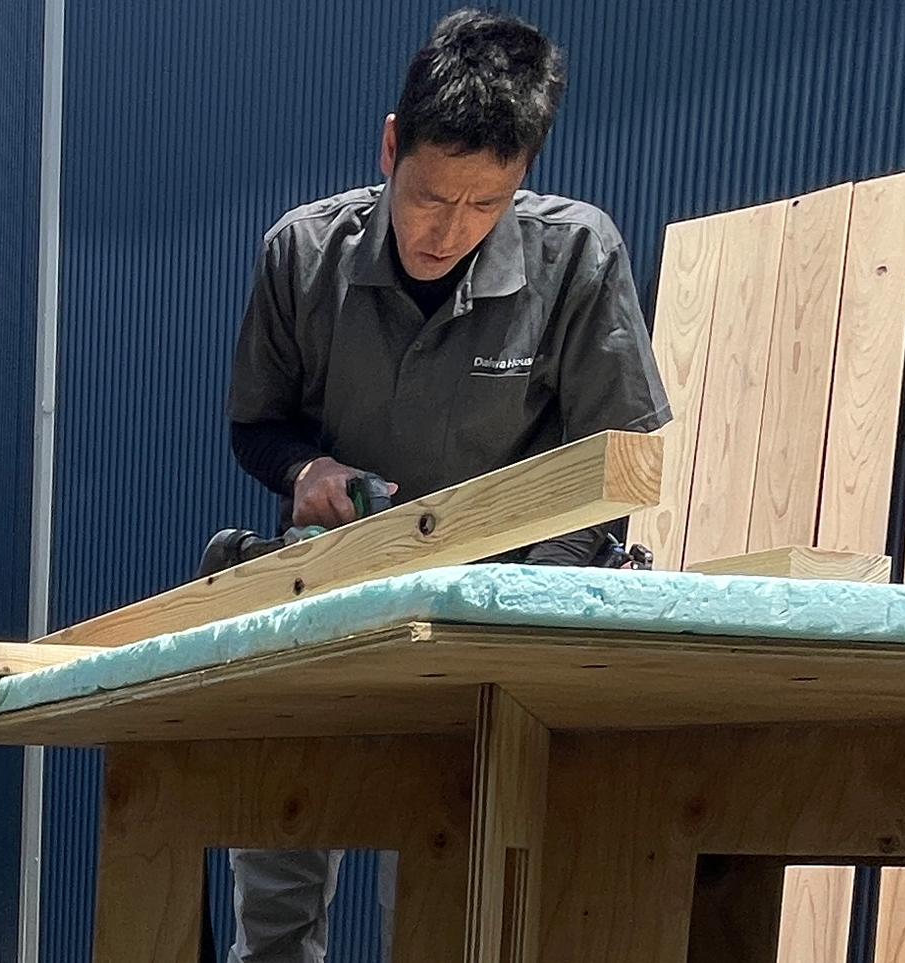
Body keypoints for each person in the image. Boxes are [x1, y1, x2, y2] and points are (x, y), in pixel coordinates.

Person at [221, 8, 671, 962]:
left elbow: (612, 468)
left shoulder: (578, 257)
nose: (447, 231)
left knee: (440, 902)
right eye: (428, 197)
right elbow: (255, 427)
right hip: (326, 596)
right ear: (391, 147)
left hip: (490, 622)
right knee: (278, 869)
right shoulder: (302, 254)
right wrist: (307, 470)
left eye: (483, 205)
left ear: (522, 175)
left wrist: (515, 606)